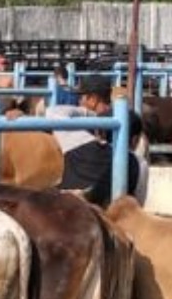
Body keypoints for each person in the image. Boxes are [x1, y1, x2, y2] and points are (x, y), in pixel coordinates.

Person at [51, 79, 148, 207]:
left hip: (64, 213)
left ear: (93, 99)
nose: (79, 102)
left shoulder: (77, 140)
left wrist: (93, 116)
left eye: (82, 98)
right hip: (106, 220)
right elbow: (137, 205)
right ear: (135, 139)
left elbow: (53, 112)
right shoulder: (139, 163)